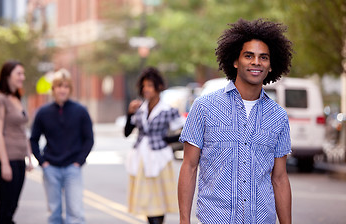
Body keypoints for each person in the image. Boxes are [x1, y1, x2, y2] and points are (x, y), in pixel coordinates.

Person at [178, 18, 293, 224]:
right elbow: (189, 167)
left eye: (263, 57)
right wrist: (184, 220)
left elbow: (280, 178)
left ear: (270, 65)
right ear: (235, 61)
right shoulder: (204, 108)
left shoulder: (278, 117)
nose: (256, 62)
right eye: (249, 55)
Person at [30, 68, 94, 224]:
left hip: (73, 168)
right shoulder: (43, 112)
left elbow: (89, 139)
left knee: (76, 213)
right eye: (59, 86)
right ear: (53, 89)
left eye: (66, 86)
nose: (62, 90)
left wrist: (79, 161)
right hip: (51, 168)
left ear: (70, 89)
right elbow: (33, 139)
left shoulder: (80, 111)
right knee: (54, 213)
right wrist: (42, 162)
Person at [124, 67, 185, 224]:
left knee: (158, 204)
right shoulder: (139, 109)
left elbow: (183, 133)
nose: (146, 90)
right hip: (141, 159)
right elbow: (127, 132)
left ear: (158, 87)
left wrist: (165, 140)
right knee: (146, 203)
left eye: (150, 86)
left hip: (160, 159)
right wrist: (129, 114)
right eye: (144, 86)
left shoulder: (168, 110)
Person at [0, 60, 33, 224]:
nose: (22, 77)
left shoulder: (17, 98)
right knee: (6, 207)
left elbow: (23, 130)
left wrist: (29, 156)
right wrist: (5, 164)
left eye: (23, 73)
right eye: (19, 74)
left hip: (19, 159)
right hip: (6, 160)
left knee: (13, 205)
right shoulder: (0, 100)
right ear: (8, 76)